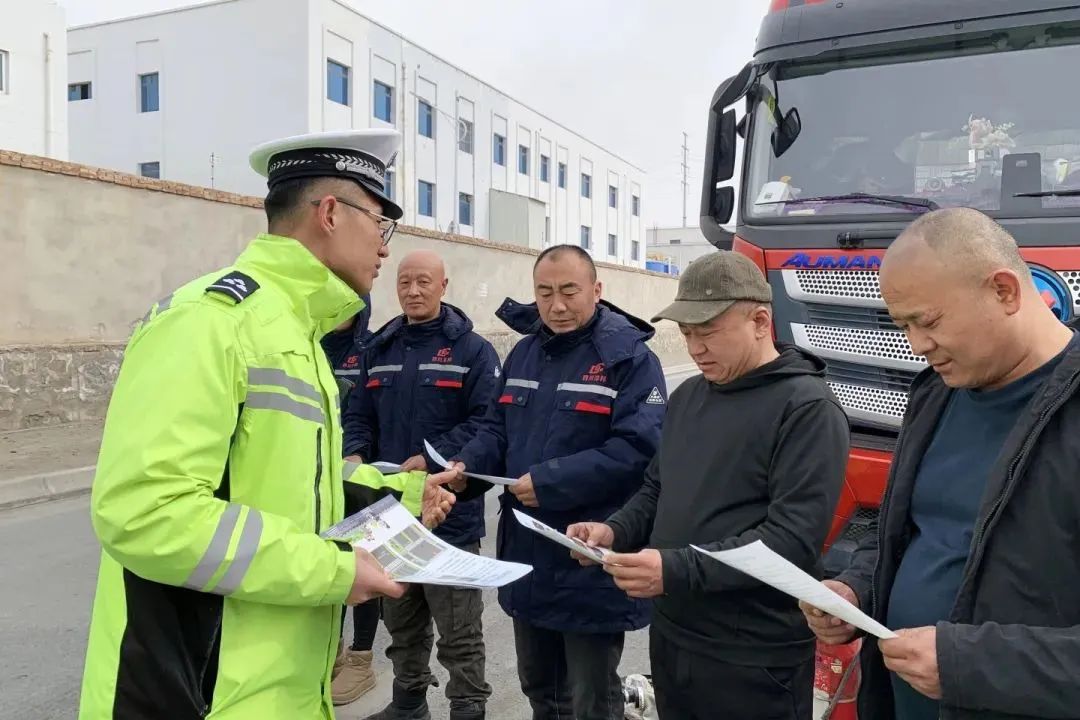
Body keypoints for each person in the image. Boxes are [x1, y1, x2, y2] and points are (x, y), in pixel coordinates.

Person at [78, 129, 455, 719]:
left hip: (275, 695)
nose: (386, 250)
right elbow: (147, 511)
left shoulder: (296, 333)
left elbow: (298, 480)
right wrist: (333, 571)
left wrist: (404, 494)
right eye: (380, 223)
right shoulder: (211, 321)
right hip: (196, 697)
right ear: (330, 213)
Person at [801, 207, 1080, 720]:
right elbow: (904, 531)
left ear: (1004, 291)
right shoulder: (935, 395)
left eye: (927, 321)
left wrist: (968, 665)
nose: (916, 345)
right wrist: (857, 589)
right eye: (903, 325)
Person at [567, 251, 849, 720]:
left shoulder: (806, 409)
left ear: (760, 321)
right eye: (686, 333)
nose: (695, 348)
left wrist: (674, 569)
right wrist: (614, 530)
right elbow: (657, 489)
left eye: (708, 331)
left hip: (752, 656)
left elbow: (791, 539)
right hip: (674, 636)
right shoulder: (688, 396)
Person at [441, 244, 667, 720]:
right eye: (544, 293)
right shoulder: (525, 353)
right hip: (527, 554)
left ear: (597, 290)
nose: (557, 305)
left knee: (591, 700)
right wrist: (465, 468)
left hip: (587, 555)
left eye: (569, 291)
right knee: (539, 687)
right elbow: (496, 431)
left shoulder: (629, 359)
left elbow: (639, 450)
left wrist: (550, 481)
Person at [343, 249, 500, 720]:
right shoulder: (379, 350)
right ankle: (408, 704)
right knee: (401, 621)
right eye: (404, 282)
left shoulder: (473, 352)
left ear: (443, 286)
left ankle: (467, 709)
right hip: (390, 514)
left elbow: (487, 423)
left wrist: (433, 456)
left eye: (423, 282)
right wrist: (355, 453)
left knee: (459, 630)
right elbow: (358, 415)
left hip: (449, 512)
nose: (413, 291)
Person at [322, 298, 384, 706]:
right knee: (330, 561)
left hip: (362, 474)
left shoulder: (372, 350)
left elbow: (375, 413)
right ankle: (334, 652)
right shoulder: (309, 346)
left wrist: (359, 454)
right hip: (320, 477)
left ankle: (362, 658)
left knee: (363, 561)